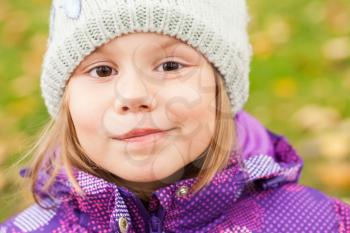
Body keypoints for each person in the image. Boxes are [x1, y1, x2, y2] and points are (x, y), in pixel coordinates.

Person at [1, 0, 349, 232]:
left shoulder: (315, 222)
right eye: (102, 70)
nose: (133, 95)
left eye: (170, 65)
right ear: (67, 103)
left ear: (220, 90)